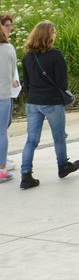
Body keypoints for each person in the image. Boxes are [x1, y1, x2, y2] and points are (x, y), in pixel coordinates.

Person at [19, 21, 79, 189]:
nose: (55, 35)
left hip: (33, 102)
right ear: (47, 35)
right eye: (53, 32)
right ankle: (63, 166)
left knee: (31, 140)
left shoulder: (27, 57)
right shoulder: (55, 55)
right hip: (52, 102)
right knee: (59, 137)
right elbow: (62, 83)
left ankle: (26, 175)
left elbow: (26, 83)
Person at [0, 14, 18, 184]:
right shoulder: (9, 48)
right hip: (3, 95)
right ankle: (1, 170)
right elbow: (13, 74)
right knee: (1, 132)